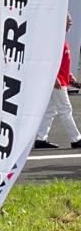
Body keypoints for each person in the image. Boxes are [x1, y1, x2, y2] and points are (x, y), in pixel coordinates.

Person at [34, 14, 81, 150]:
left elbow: (62, 64)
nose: (71, 23)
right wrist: (54, 78)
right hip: (57, 83)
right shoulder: (54, 41)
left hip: (61, 81)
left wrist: (71, 78)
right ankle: (76, 139)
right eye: (68, 20)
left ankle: (40, 139)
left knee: (50, 111)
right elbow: (48, 62)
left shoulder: (62, 41)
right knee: (66, 109)